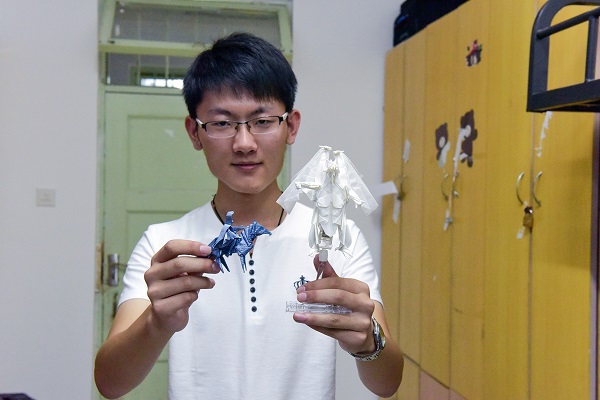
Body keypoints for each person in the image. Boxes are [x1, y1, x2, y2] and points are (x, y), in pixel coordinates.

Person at [94, 32, 403, 399]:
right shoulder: (165, 245)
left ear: (291, 126)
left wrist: (369, 341)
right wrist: (156, 323)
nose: (244, 143)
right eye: (222, 123)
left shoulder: (337, 238)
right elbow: (110, 384)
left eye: (263, 121)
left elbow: (388, 383)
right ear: (195, 132)